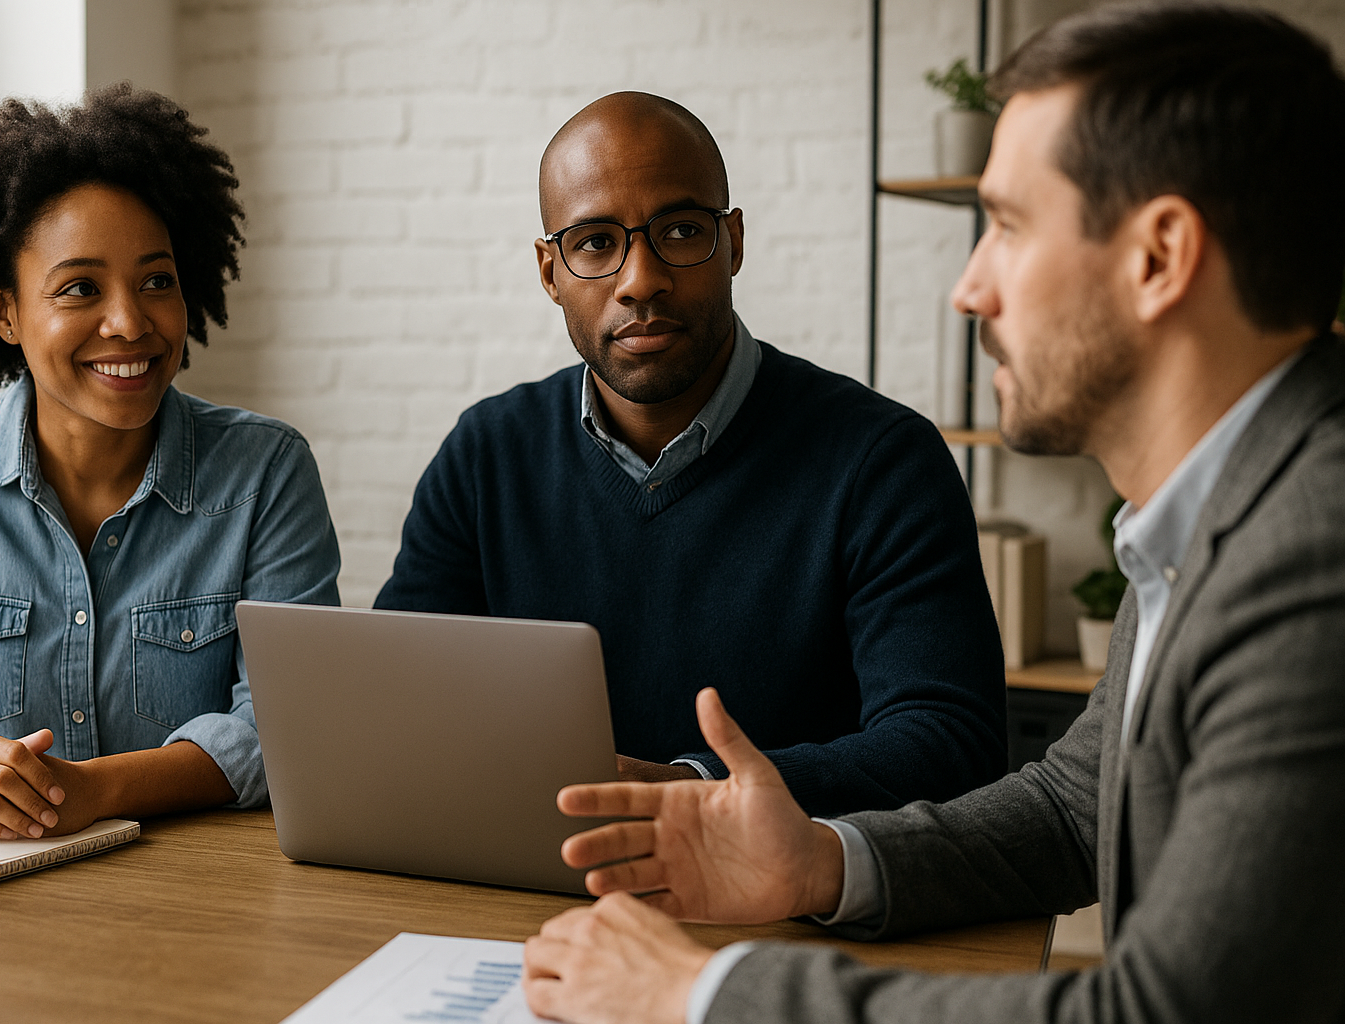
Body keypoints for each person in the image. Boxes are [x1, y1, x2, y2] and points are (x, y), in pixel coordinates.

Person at [520, 5, 1345, 1023]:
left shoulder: (1312, 550)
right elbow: (1074, 806)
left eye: (1006, 225)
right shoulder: (1218, 512)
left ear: (1159, 256)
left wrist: (706, 990)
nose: (970, 289)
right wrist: (819, 863)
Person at [374, 91, 1006, 817]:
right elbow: (401, 713)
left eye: (678, 231)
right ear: (550, 273)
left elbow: (954, 744)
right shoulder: (484, 457)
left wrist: (698, 794)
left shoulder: (883, 462)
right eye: (595, 243)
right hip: (536, 886)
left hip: (785, 908)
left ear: (733, 242)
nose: (641, 280)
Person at [0, 85, 342, 839]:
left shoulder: (265, 472)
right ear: (5, 311)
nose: (130, 322)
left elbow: (290, 729)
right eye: (81, 288)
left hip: (205, 896)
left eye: (157, 281)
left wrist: (91, 790)